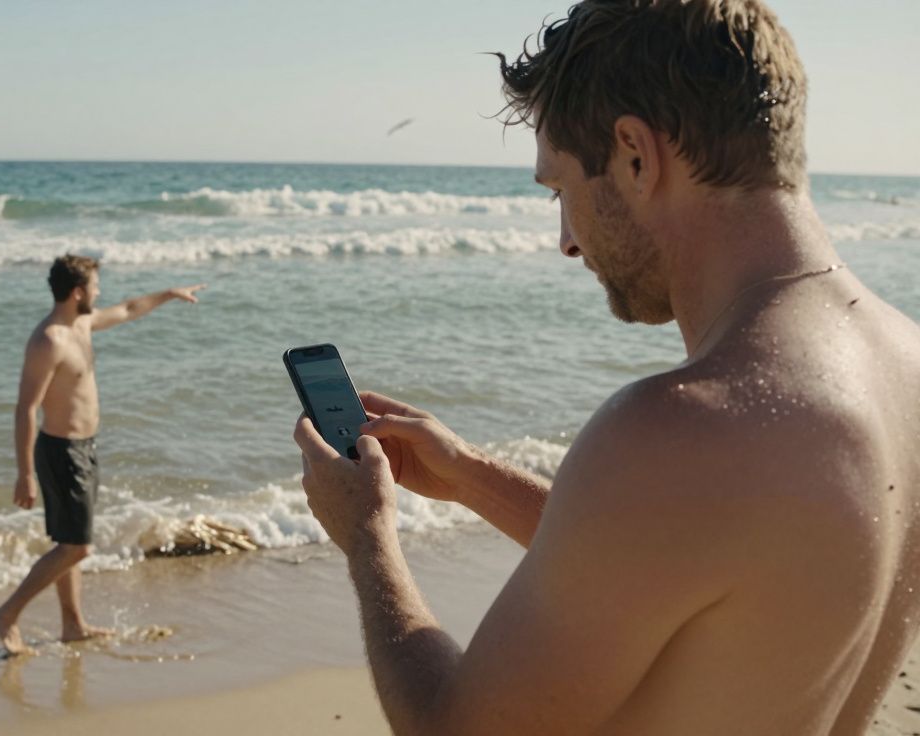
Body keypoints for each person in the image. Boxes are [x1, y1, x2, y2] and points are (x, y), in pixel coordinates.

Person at [293, 1, 920, 734]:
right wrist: (468, 476)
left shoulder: (686, 426)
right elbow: (696, 559)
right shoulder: (903, 364)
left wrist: (367, 536)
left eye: (560, 190)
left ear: (634, 154)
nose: (565, 240)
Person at [0, 254, 206, 655]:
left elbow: (127, 309)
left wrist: (169, 294)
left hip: (84, 448)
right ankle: (6, 614)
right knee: (76, 547)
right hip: (61, 453)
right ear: (77, 292)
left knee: (67, 542)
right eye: (94, 286)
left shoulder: (81, 324)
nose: (99, 292)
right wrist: (25, 474)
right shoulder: (49, 340)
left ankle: (72, 624)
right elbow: (25, 408)